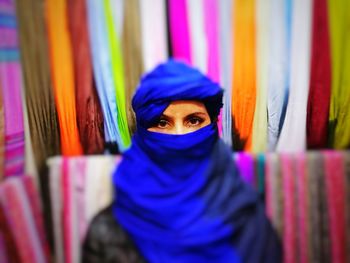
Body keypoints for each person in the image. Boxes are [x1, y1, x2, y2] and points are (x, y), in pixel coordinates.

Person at [82, 60, 282, 263]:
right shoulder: (108, 231)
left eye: (194, 121)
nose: (179, 135)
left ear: (212, 128)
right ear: (142, 133)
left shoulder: (248, 219)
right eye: (162, 122)